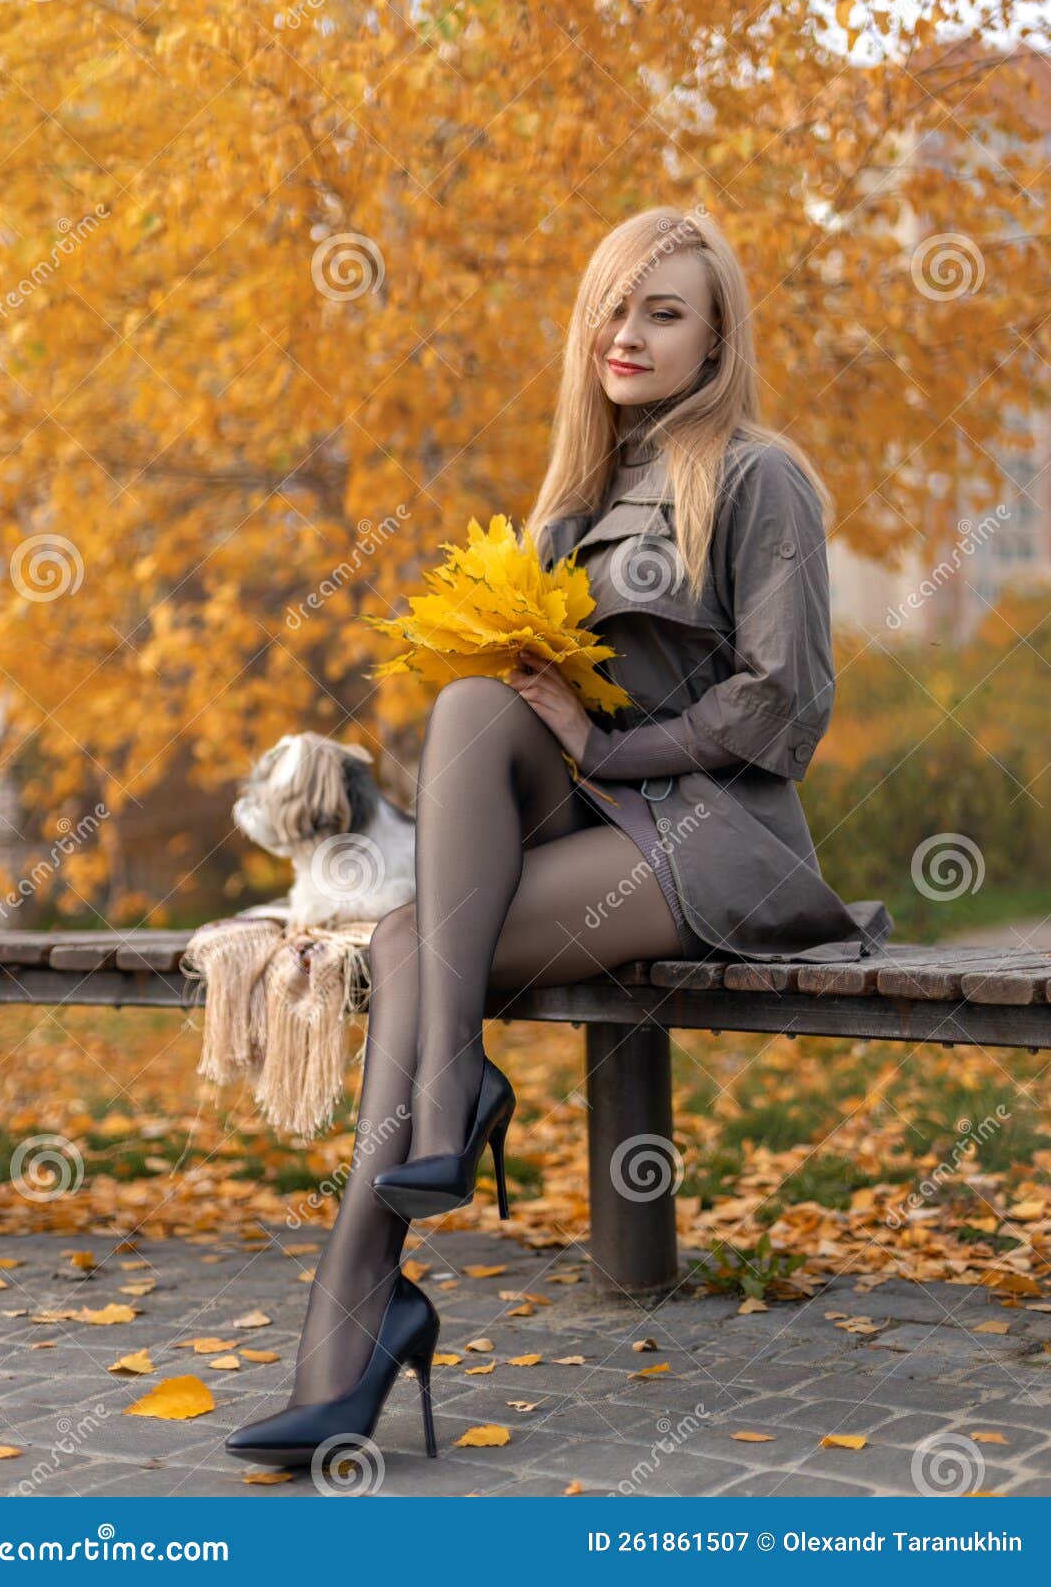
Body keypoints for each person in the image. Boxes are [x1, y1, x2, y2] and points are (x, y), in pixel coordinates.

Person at [224, 206, 894, 1470]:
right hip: (594, 830)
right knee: (452, 786)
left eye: (662, 310)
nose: (625, 332)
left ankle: (379, 1268)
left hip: (714, 834)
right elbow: (523, 718)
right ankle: (406, 1204)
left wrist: (608, 751)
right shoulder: (567, 500)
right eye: (610, 304)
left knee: (428, 946)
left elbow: (785, 702)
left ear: (713, 339)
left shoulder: (759, 476)